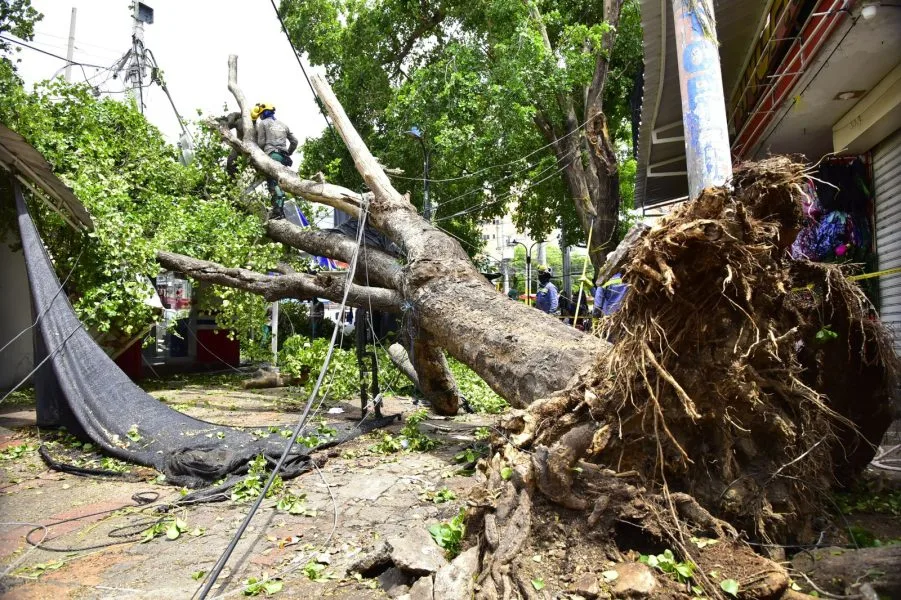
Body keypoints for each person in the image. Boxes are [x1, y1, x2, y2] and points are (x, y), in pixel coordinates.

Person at [254, 103, 298, 220]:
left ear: (264, 113)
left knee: (273, 183)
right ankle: (280, 210)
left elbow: (261, 142)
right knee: (281, 181)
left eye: (261, 114)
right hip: (283, 157)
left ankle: (277, 211)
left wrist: (257, 154)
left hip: (272, 155)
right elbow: (294, 141)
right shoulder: (283, 125)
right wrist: (288, 152)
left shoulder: (263, 123)